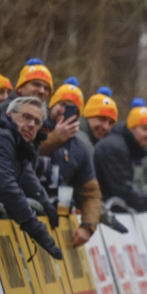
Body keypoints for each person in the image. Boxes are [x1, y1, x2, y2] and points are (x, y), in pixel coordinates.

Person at [0, 97, 62, 259]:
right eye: (26, 117)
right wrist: (38, 231)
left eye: (37, 122)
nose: (32, 125)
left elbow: (26, 175)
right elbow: (5, 188)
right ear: (10, 114)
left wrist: (46, 203)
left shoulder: (17, 141)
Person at [39, 78, 102, 247]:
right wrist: (55, 138)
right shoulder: (34, 126)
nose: (64, 111)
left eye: (71, 108)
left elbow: (91, 193)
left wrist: (87, 227)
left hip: (59, 220)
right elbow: (25, 155)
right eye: (62, 104)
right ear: (52, 104)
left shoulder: (80, 147)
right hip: (27, 214)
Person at [94, 106, 147, 212]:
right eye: (144, 129)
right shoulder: (115, 148)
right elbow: (123, 192)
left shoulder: (131, 149)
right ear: (131, 128)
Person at [77, 87, 118, 153]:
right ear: (88, 116)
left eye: (110, 123)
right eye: (102, 119)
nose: (106, 127)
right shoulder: (75, 140)